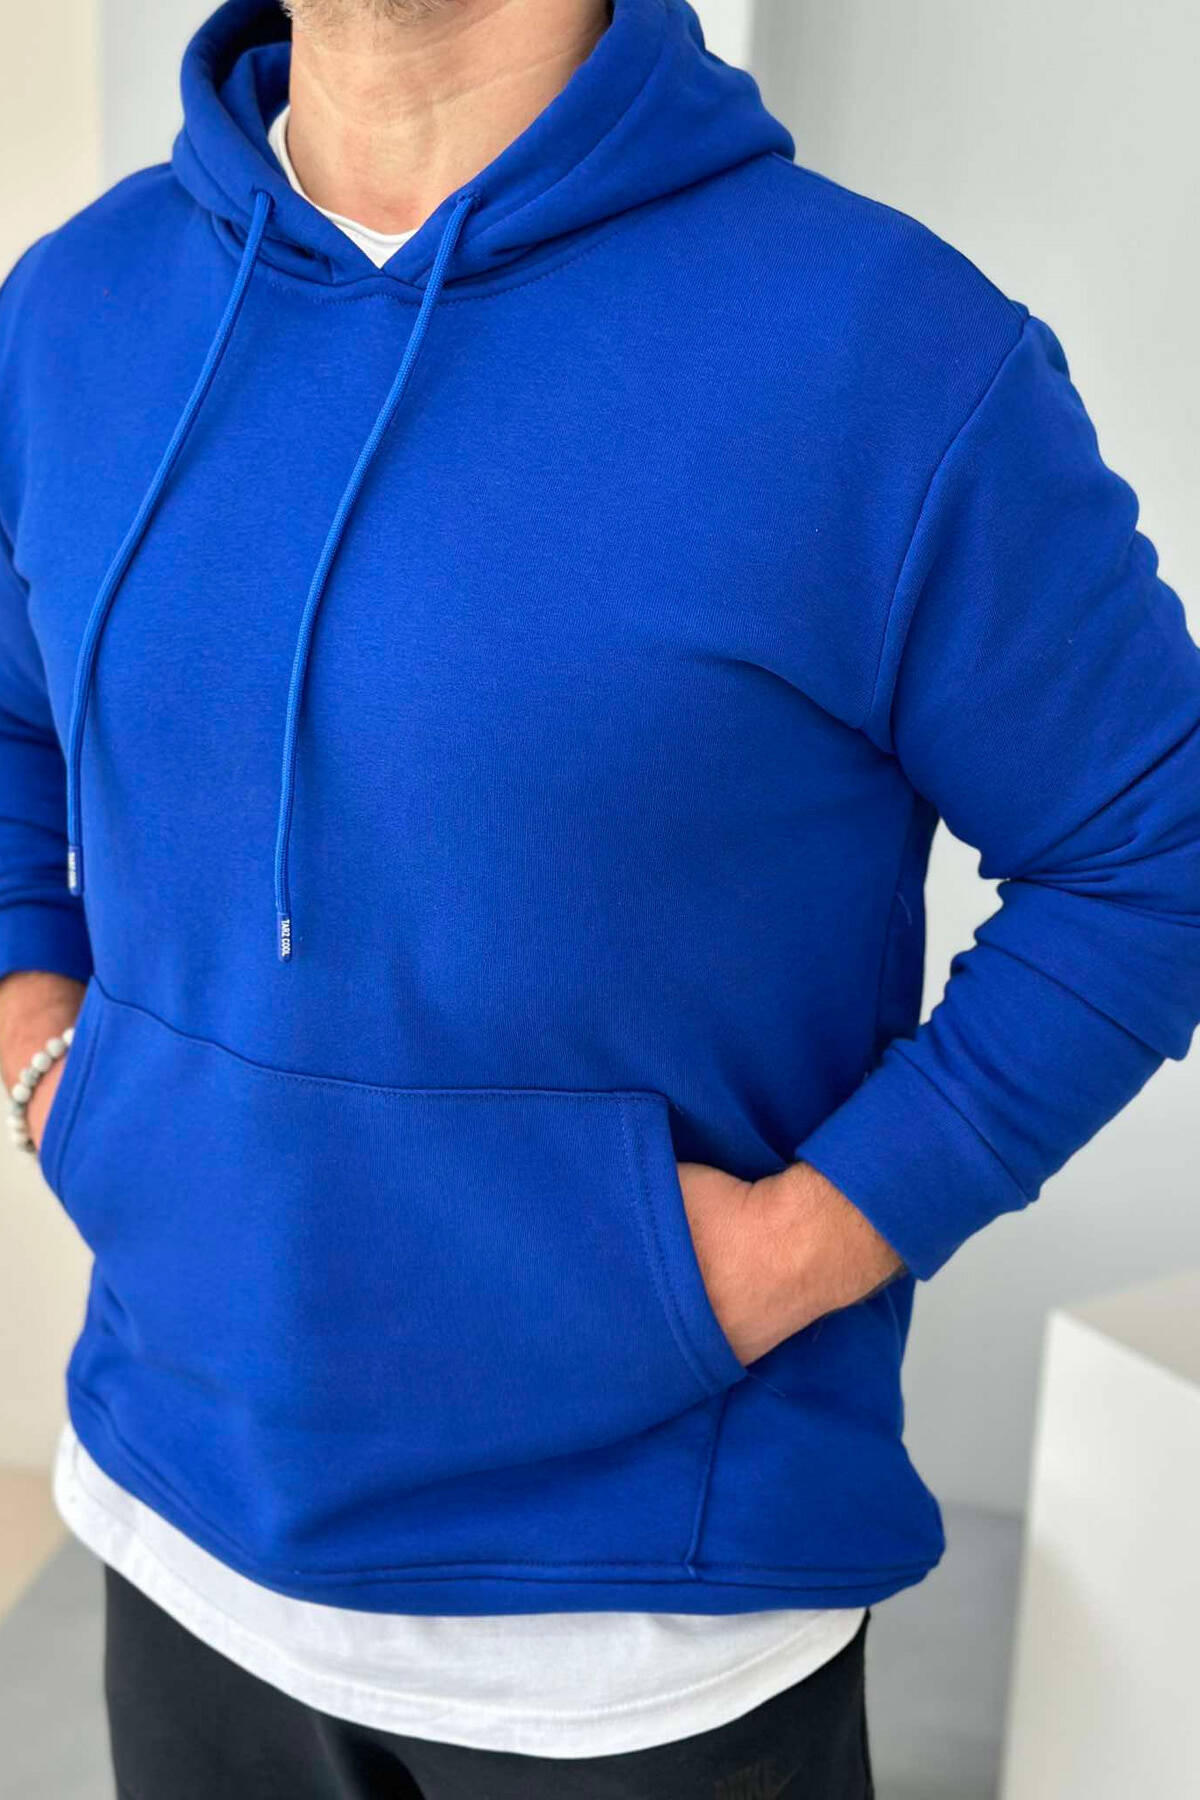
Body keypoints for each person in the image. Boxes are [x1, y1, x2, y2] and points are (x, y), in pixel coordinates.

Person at [1, 0, 1197, 1793]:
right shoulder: (72, 310)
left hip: (648, 1628)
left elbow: (1154, 853)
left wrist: (792, 1249)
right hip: (173, 1520)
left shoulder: (885, 350)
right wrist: (46, 1059)